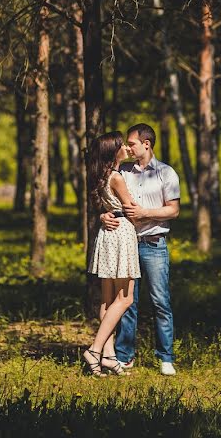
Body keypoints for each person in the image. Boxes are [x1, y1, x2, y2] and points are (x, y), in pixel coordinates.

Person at [101, 123, 180, 376]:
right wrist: (104, 216)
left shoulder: (166, 173)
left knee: (160, 301)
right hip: (127, 244)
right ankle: (124, 356)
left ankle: (165, 357)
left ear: (146, 143)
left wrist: (145, 212)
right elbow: (110, 200)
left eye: (132, 143)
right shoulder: (122, 171)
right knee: (127, 303)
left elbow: (173, 210)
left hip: (154, 244)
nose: (128, 147)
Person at [82, 131, 140, 377]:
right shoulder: (116, 177)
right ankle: (95, 350)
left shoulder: (102, 176)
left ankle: (109, 356)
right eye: (122, 146)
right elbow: (131, 208)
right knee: (125, 299)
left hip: (108, 235)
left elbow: (109, 206)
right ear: (113, 151)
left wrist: (104, 215)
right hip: (121, 234)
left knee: (108, 300)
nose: (126, 148)